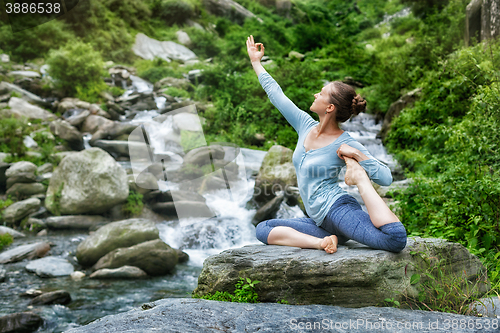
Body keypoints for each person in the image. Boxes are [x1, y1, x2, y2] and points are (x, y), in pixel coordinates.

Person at [246, 35, 407, 254]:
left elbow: (386, 178)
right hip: (319, 223)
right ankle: (323, 242)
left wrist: (359, 159)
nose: (315, 94)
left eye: (320, 93)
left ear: (329, 107)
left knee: (395, 239)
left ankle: (356, 183)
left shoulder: (346, 142)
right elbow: (277, 95)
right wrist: (256, 62)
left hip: (338, 210)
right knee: (263, 229)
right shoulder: (304, 125)